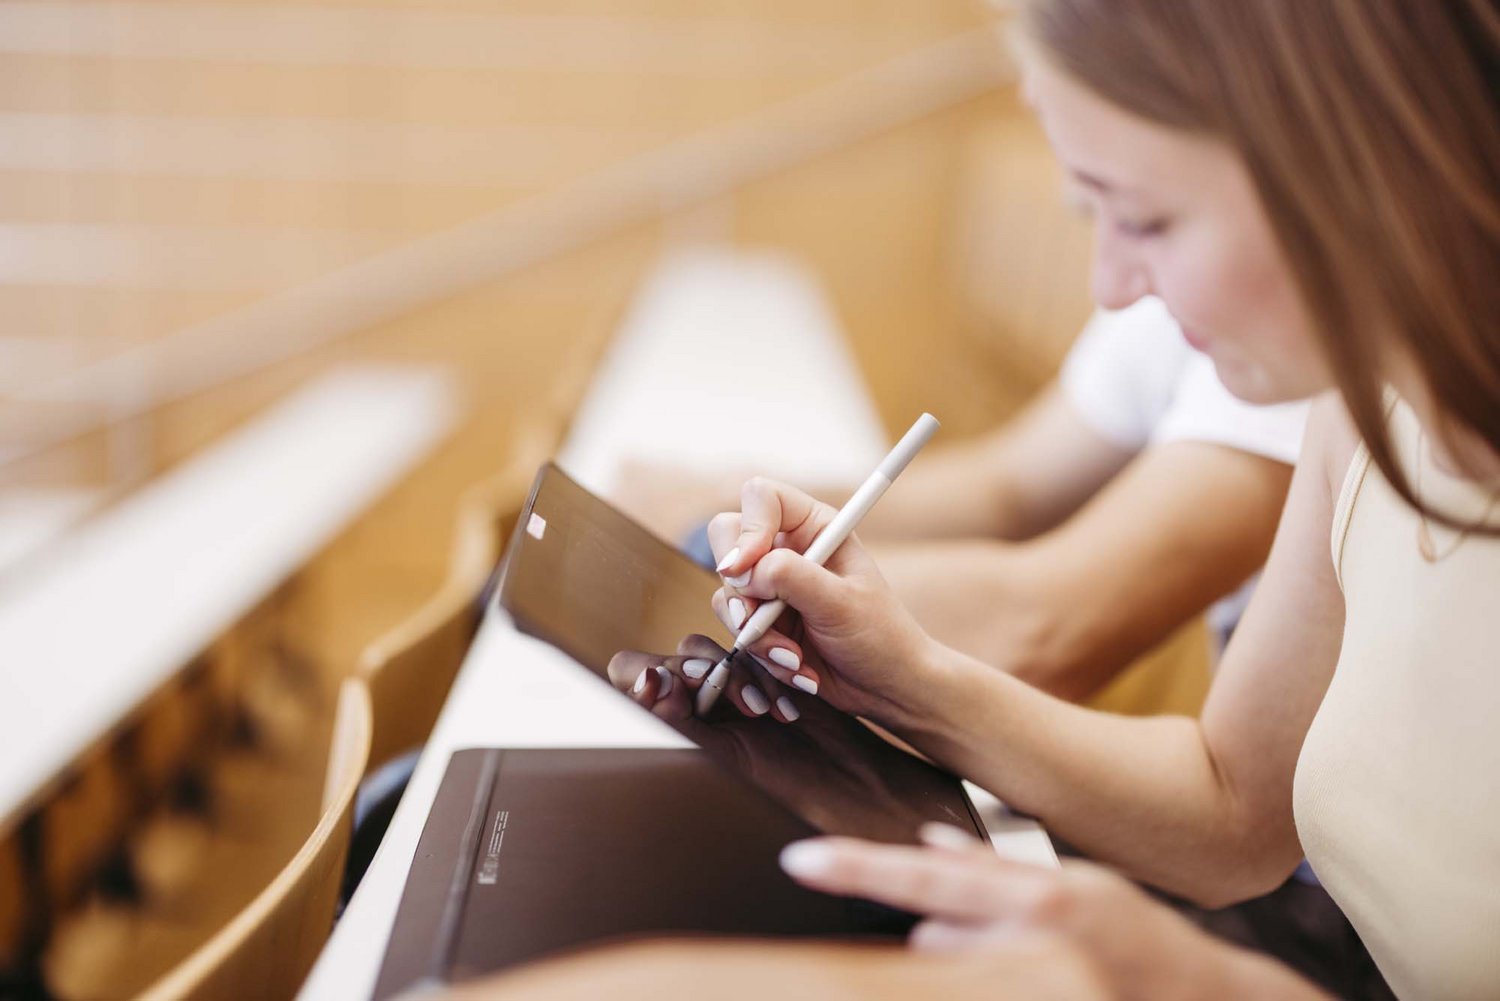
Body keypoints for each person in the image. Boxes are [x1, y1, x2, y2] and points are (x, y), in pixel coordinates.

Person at [601, 1, 1500, 998]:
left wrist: (1225, 986)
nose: (1114, 288)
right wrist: (902, 675)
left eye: (1146, 217)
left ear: (1362, 157)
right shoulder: (1358, 413)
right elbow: (1230, 809)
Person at [624, 295, 1305, 713]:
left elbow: (1044, 629)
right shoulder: (1183, 271)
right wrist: (728, 497)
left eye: (1136, 214)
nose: (1110, 288)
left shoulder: (1291, 340)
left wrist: (698, 561)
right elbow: (1008, 484)